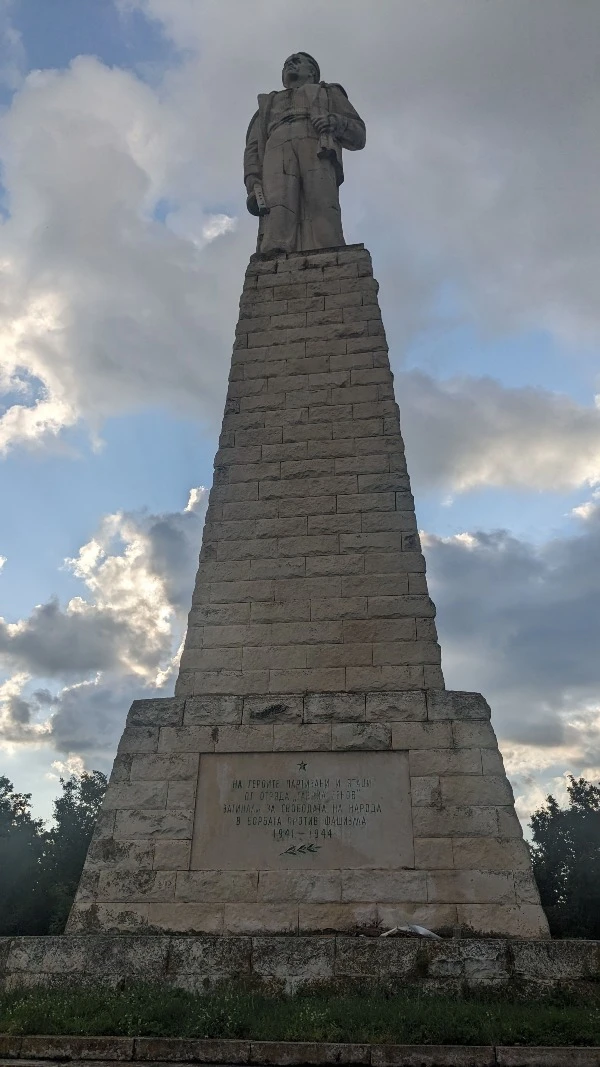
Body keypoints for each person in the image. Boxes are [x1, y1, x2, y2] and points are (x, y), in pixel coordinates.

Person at [244, 52, 366, 253]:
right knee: (277, 206)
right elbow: (253, 148)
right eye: (285, 63)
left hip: (315, 144)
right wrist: (252, 180)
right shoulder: (267, 104)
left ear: (312, 71)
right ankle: (274, 254)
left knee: (323, 203)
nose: (289, 65)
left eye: (296, 61)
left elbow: (358, 134)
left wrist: (334, 122)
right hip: (275, 147)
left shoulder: (329, 92)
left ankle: (330, 250)